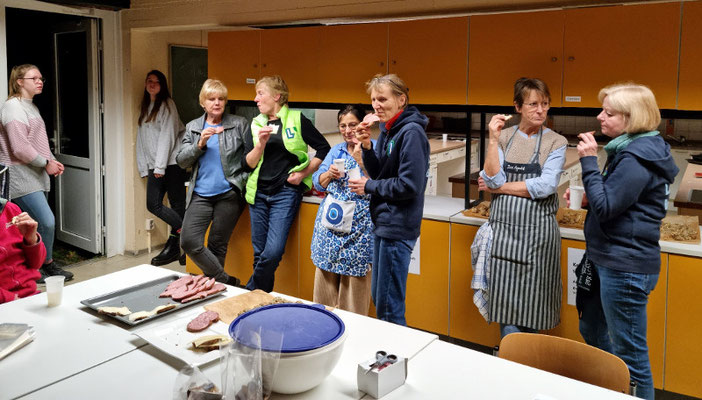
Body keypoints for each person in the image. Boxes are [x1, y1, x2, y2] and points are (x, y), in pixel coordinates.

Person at [568, 83, 677, 400]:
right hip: (605, 258)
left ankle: (627, 389)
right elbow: (614, 201)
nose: (600, 117)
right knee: (591, 329)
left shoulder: (637, 157)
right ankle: (613, 387)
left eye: (609, 112)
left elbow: (607, 209)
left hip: (625, 266)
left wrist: (588, 160)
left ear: (632, 118)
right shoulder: (627, 149)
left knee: (632, 356)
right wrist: (593, 194)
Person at [477, 77, 567, 337]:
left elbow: (546, 185)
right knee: (506, 312)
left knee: (534, 312)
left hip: (539, 239)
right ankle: (510, 367)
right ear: (517, 107)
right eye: (533, 104)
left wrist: (500, 188)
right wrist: (492, 140)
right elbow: (493, 178)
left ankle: (530, 367)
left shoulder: (556, 142)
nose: (541, 110)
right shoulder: (504, 138)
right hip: (505, 238)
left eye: (545, 104)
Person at [349, 74, 430, 326]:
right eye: (373, 100)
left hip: (398, 225)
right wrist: (366, 147)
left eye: (382, 99)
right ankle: (389, 357)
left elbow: (410, 185)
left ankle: (395, 360)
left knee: (389, 304)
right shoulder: (388, 129)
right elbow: (379, 172)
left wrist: (369, 186)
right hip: (383, 222)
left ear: (401, 99)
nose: (376, 105)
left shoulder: (411, 133)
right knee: (380, 298)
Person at [243, 75, 330, 292]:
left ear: (277, 96)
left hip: (285, 192)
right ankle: (259, 303)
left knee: (272, 252)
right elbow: (248, 164)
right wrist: (260, 145)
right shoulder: (255, 124)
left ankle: (249, 291)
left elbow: (323, 148)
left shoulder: (297, 119)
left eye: (260, 93)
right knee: (259, 253)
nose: (256, 99)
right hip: (258, 194)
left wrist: (304, 173)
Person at [0, 64, 72, 282]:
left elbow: (35, 142)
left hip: (35, 173)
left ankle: (43, 264)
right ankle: (40, 265)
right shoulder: (13, 107)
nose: (40, 81)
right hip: (20, 174)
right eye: (34, 78)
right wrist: (45, 163)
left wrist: (51, 161)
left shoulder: (30, 106)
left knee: (34, 223)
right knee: (45, 221)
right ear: (20, 81)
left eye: (41, 78)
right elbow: (19, 148)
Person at [176, 79, 249, 286]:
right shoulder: (193, 128)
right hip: (200, 194)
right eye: (211, 99)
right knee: (189, 241)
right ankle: (226, 281)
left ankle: (214, 290)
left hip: (229, 194)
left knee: (218, 245)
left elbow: (250, 158)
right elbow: (181, 161)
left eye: (221, 99)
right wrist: (200, 144)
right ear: (203, 103)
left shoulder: (238, 124)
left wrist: (241, 183)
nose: (217, 103)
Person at [310, 105, 375, 315]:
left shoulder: (373, 149)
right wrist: (328, 174)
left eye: (353, 125)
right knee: (324, 301)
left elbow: (380, 183)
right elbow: (317, 183)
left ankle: (354, 339)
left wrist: (360, 160)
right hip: (329, 231)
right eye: (343, 126)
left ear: (363, 125)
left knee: (354, 300)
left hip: (358, 233)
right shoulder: (336, 150)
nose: (347, 130)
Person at [136, 70, 187, 266]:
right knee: (156, 204)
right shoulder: (146, 106)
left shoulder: (167, 104)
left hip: (172, 164)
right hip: (156, 165)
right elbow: (141, 139)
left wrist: (159, 166)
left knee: (173, 206)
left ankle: (180, 246)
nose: (152, 84)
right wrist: (145, 167)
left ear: (162, 85)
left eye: (157, 82)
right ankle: (184, 237)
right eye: (149, 81)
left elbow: (168, 136)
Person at [1, 194, 46, 304]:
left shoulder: (9, 209)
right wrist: (12, 300)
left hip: (29, 296)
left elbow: (36, 264)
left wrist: (31, 240)